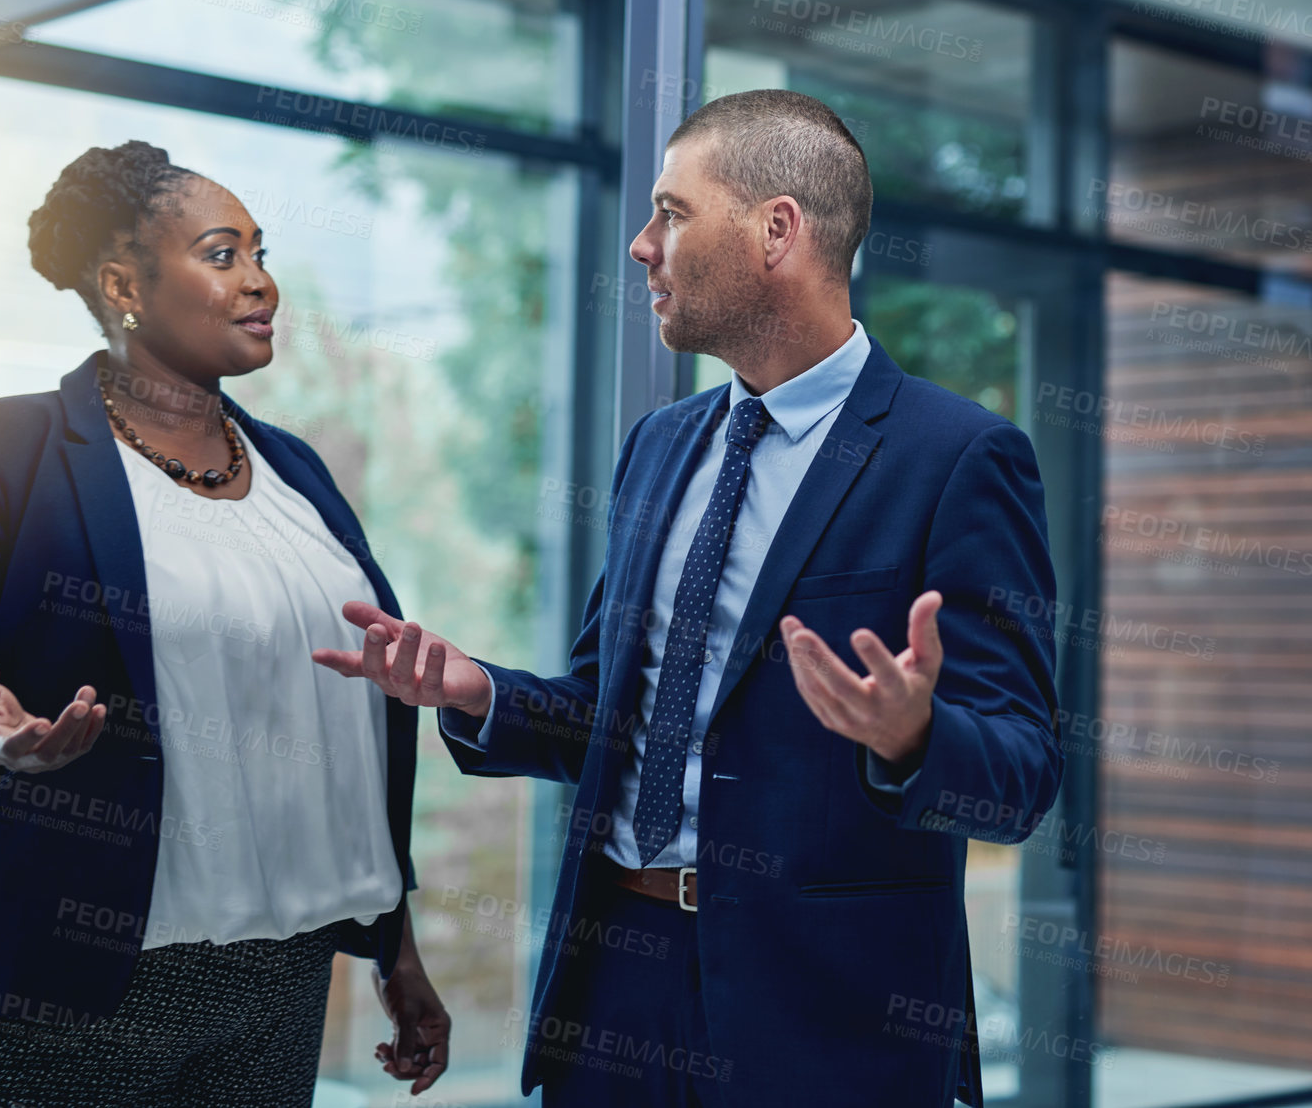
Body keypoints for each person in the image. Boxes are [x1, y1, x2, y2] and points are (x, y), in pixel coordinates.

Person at [314, 89, 1063, 1107]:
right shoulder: (660, 448)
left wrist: (913, 734)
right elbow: (611, 715)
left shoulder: (958, 456)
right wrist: (478, 690)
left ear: (776, 229)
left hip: (826, 1020)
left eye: (671, 211)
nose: (639, 244)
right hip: (615, 984)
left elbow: (1019, 774)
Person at [0, 141, 449, 1106]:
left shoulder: (297, 470)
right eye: (222, 256)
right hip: (32, 983)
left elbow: (332, 720)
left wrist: (394, 946)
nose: (261, 285)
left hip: (271, 984)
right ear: (124, 282)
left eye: (262, 254)